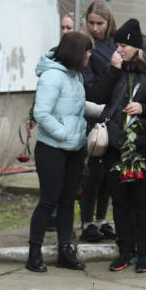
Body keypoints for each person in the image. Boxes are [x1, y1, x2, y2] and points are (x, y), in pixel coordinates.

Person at [89, 19, 146, 273]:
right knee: (119, 201)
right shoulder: (116, 69)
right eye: (117, 44)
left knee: (143, 200)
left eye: (123, 45)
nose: (118, 49)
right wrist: (113, 71)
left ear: (136, 47)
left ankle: (145, 252)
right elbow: (97, 97)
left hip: (143, 146)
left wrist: (144, 108)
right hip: (115, 146)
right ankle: (125, 251)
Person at [26, 32, 93, 273]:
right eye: (87, 50)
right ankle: (34, 253)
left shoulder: (75, 76)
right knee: (48, 201)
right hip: (52, 150)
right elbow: (41, 114)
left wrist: (106, 111)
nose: (89, 54)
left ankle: (65, 250)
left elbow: (75, 108)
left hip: (74, 149)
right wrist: (66, 134)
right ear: (76, 52)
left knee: (67, 201)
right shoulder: (52, 76)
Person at [80, 0, 118, 243]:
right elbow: (89, 86)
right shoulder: (86, 45)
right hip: (96, 112)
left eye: (99, 23)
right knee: (94, 172)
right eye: (91, 23)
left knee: (108, 172)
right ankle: (86, 222)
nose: (95, 28)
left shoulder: (117, 42)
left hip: (116, 113)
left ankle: (102, 220)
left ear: (108, 22)